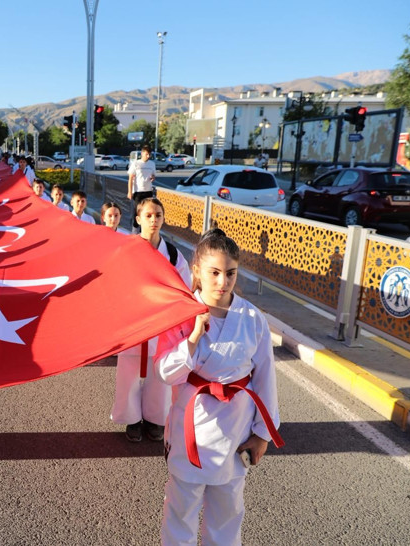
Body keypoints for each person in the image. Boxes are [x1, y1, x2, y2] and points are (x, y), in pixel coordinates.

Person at [157, 228, 283, 545]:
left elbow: (265, 376)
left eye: (230, 273)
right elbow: (165, 372)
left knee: (227, 514)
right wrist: (194, 338)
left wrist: (262, 434)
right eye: (214, 273)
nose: (222, 282)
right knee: (181, 511)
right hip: (192, 430)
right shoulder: (181, 315)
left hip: (235, 428)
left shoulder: (252, 319)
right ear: (197, 270)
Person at [111, 197, 191, 442]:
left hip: (163, 326)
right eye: (148, 215)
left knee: (160, 373)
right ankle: (132, 420)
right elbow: (114, 285)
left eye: (158, 215)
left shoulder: (174, 255)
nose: (154, 220)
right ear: (138, 219)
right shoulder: (127, 249)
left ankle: (155, 419)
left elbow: (185, 288)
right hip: (133, 324)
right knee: (129, 373)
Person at [127, 146, 156, 233]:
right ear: (142, 153)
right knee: (137, 212)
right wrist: (129, 192)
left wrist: (153, 177)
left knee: (147, 211)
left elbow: (153, 175)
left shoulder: (152, 164)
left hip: (148, 191)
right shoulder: (136, 164)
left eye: (149, 154)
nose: (148, 156)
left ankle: (144, 231)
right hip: (138, 192)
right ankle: (135, 232)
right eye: (146, 154)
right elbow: (130, 178)